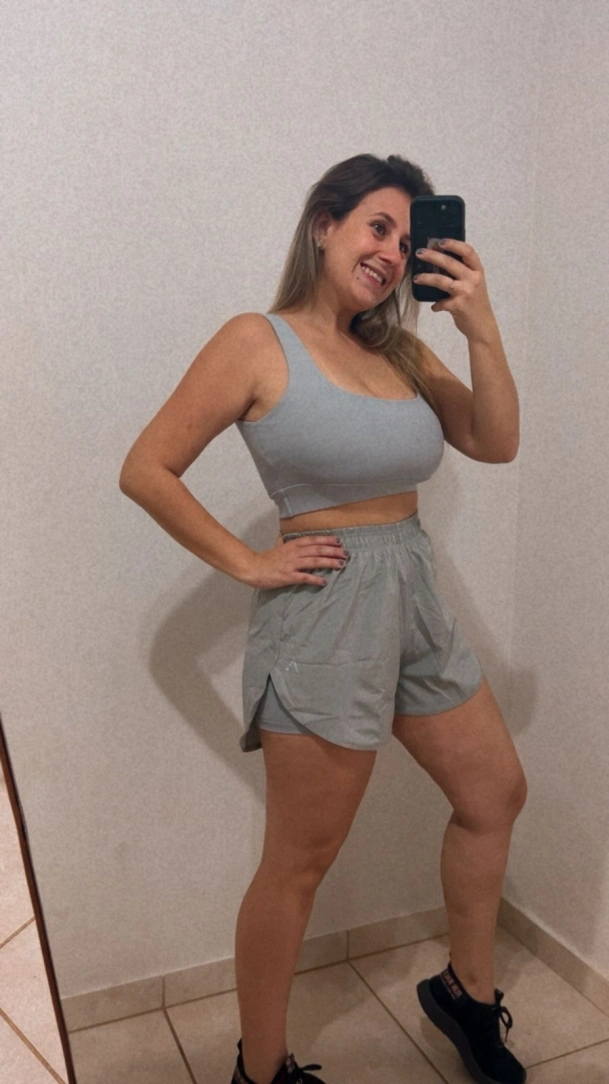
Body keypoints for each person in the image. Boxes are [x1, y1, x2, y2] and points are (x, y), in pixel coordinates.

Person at [119, 153, 527, 1084]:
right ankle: (261, 1071)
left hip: (413, 592)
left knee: (493, 794)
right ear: (324, 225)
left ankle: (465, 996)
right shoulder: (255, 341)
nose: (391, 253)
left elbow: (495, 441)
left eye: (407, 240)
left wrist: (480, 326)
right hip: (324, 613)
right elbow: (146, 468)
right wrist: (249, 561)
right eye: (376, 227)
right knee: (299, 862)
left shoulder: (401, 351)